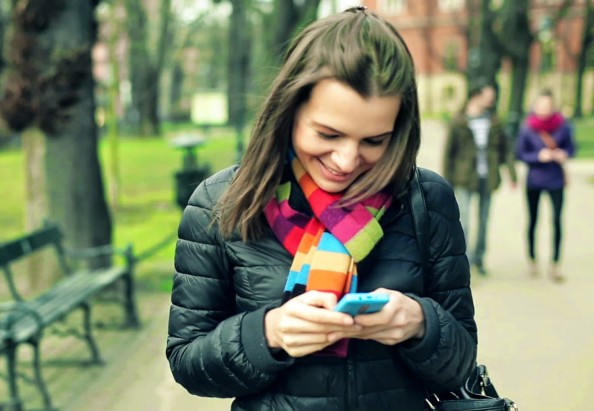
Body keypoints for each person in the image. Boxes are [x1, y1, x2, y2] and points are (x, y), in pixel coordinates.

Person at [166, 8, 477, 411]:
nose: (347, 160)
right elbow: (187, 362)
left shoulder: (426, 199)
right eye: (328, 134)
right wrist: (268, 334)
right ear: (290, 110)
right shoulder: (220, 202)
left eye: (374, 140)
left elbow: (461, 362)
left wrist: (420, 324)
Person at [442, 82, 517, 276]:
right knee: (464, 221)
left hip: (488, 178)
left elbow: (506, 149)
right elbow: (448, 153)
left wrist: (512, 174)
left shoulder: (494, 121)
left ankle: (479, 259)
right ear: (476, 96)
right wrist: (446, 182)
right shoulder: (459, 121)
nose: (491, 98)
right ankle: (462, 262)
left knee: (484, 221)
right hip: (463, 178)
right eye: (488, 94)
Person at [515, 89, 576, 283]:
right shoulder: (527, 128)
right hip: (534, 179)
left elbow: (571, 147)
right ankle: (532, 259)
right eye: (541, 106)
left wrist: (563, 153)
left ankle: (555, 263)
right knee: (533, 220)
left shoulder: (562, 126)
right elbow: (520, 153)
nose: (544, 109)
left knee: (557, 220)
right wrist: (538, 156)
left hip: (556, 179)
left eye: (548, 106)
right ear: (535, 106)